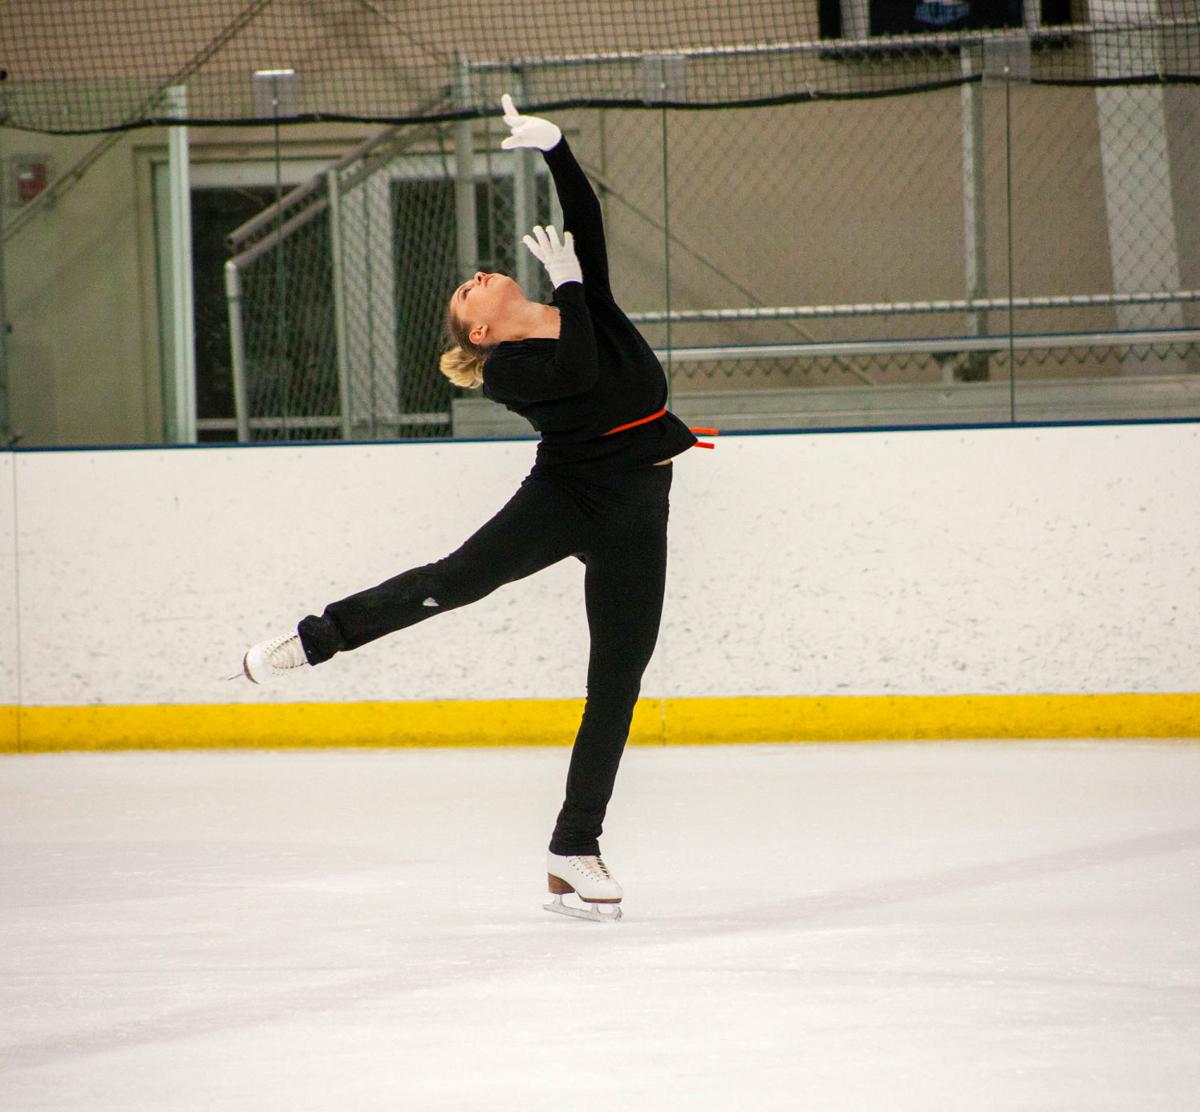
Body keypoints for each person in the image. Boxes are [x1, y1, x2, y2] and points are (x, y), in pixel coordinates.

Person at [241, 95, 706, 922]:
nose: (480, 275)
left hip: (640, 506)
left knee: (618, 681)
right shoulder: (506, 372)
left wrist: (555, 146)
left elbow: (584, 213)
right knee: (455, 581)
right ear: (480, 331)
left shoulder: (578, 296)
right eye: (467, 291)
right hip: (567, 498)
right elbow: (581, 378)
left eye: (477, 275)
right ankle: (319, 639)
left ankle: (575, 847)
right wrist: (573, 287)